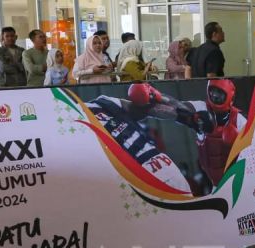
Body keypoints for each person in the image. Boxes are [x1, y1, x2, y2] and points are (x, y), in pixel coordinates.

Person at [84, 82, 214, 196]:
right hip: (134, 184)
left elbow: (147, 107)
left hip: (166, 167)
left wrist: (188, 116)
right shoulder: (68, 127)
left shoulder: (101, 103)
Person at [195, 78, 247, 190]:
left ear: (230, 97)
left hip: (237, 181)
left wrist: (238, 145)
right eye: (212, 91)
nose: (214, 96)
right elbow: (178, 107)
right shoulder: (201, 109)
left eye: (219, 93)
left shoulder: (239, 119)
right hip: (214, 184)